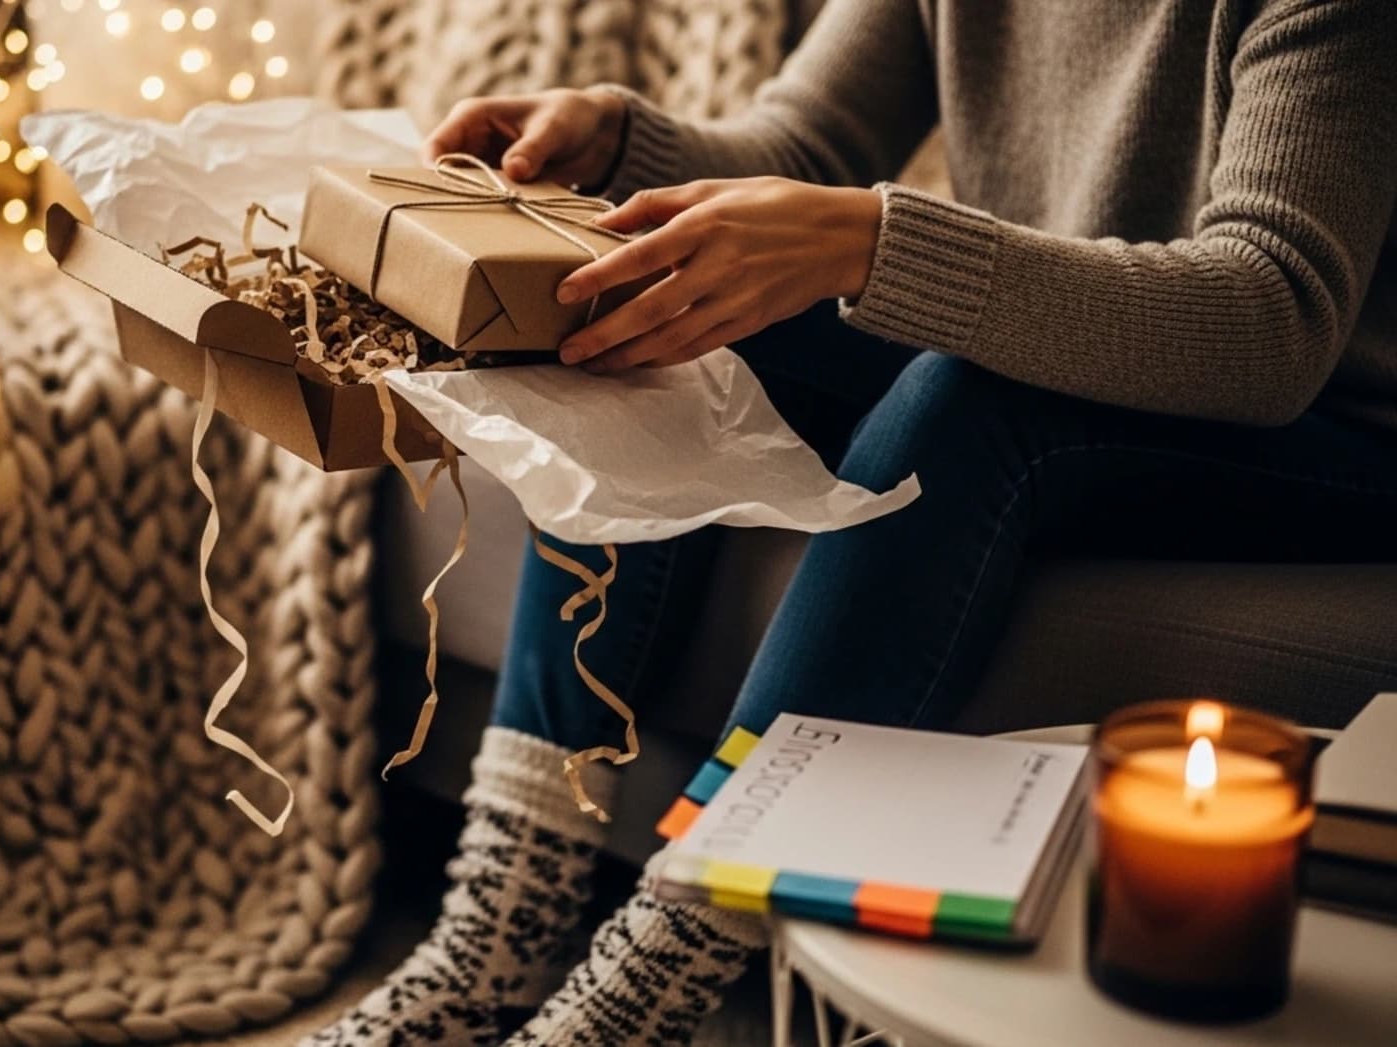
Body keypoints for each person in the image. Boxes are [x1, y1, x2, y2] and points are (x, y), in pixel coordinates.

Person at [309, 1, 1397, 1043]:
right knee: (641, 304)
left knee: (963, 403)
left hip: (1329, 429)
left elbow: (1272, 316)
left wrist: (878, 245)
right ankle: (497, 926)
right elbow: (807, 142)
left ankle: (655, 972)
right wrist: (621, 144)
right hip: (1077, 363)